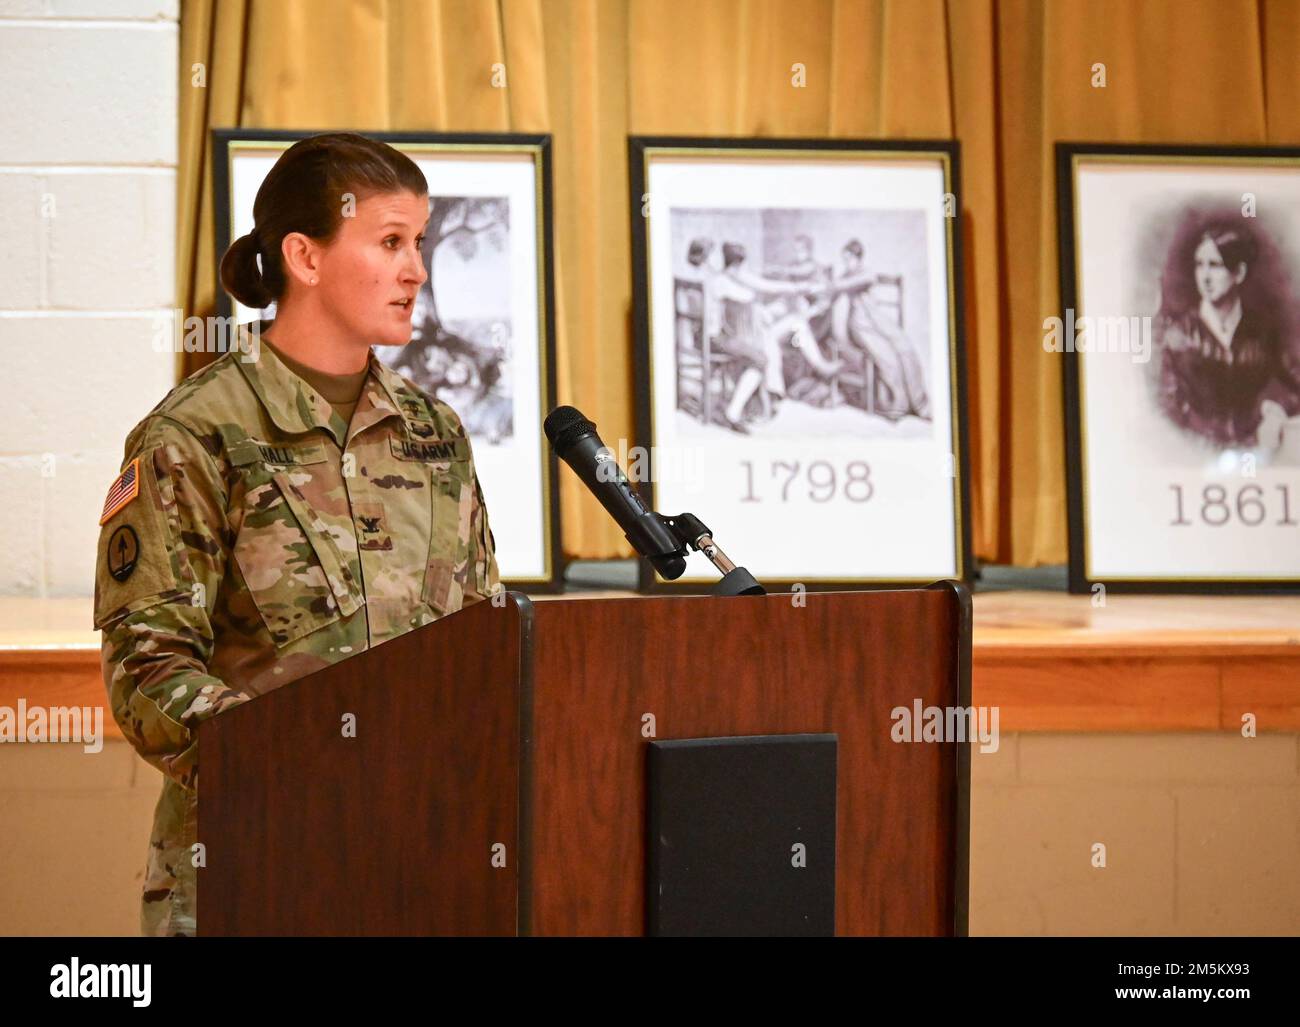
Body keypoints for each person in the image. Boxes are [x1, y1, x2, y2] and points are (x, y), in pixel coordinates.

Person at [92, 132, 503, 937]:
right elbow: (147, 671)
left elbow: (482, 636)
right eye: (390, 242)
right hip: (255, 866)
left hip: (427, 865)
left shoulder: (435, 431)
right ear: (304, 258)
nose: (416, 270)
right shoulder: (195, 433)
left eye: (418, 243)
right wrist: (308, 768)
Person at [1155, 223, 1300, 448]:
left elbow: (1294, 384)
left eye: (1215, 265)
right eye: (1199, 265)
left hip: (1256, 454)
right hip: (1195, 457)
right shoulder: (1177, 335)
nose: (1205, 277)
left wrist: (1274, 411)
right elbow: (1166, 408)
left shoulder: (1262, 332)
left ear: (1238, 273)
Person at [829, 239, 931, 419]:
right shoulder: (845, 277)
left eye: (849, 258)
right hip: (860, 325)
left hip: (878, 319)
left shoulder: (866, 273)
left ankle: (919, 401)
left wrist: (837, 285)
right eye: (844, 259)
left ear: (858, 258)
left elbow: (863, 280)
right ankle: (899, 402)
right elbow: (836, 287)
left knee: (904, 347)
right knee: (887, 355)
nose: (846, 263)